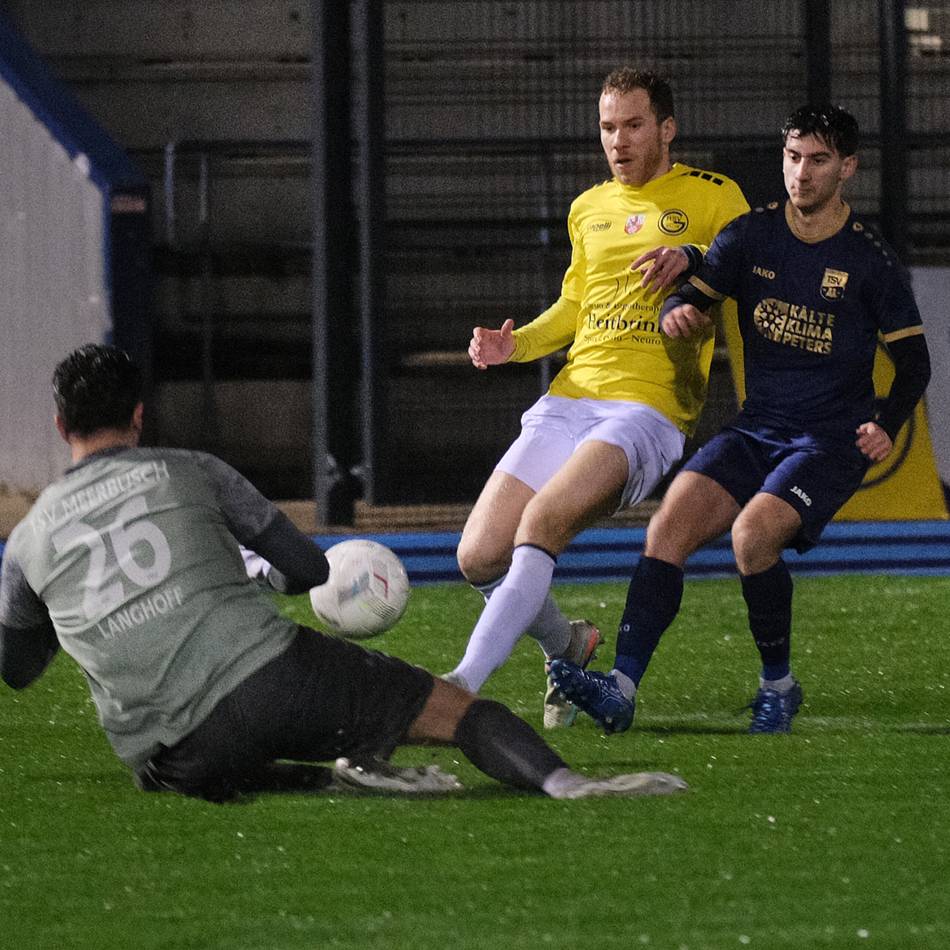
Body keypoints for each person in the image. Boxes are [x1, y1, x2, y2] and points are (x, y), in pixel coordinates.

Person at [0, 343, 687, 801]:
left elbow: (18, 668)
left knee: (183, 763)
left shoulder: (29, 539)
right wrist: (257, 572)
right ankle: (567, 785)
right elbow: (306, 568)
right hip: (272, 679)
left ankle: (331, 779)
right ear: (139, 415)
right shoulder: (189, 470)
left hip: (171, 755)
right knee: (462, 713)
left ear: (60, 425)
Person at [550, 105, 933, 734]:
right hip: (757, 429)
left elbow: (915, 362)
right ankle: (620, 686)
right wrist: (678, 311)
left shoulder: (870, 260)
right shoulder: (751, 235)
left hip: (827, 442)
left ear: (848, 169)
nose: (801, 173)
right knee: (668, 526)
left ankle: (777, 686)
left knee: (752, 536)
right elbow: (694, 292)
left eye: (818, 160)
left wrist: (887, 423)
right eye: (793, 157)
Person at [446, 67, 749, 727]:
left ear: (667, 129)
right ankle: (568, 644)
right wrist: (515, 345)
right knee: (478, 556)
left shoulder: (713, 194)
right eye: (609, 127)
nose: (619, 140)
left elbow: (751, 262)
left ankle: (461, 686)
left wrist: (694, 256)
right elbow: (574, 306)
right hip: (570, 398)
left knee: (540, 525)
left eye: (633, 125)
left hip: (648, 409)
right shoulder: (588, 208)